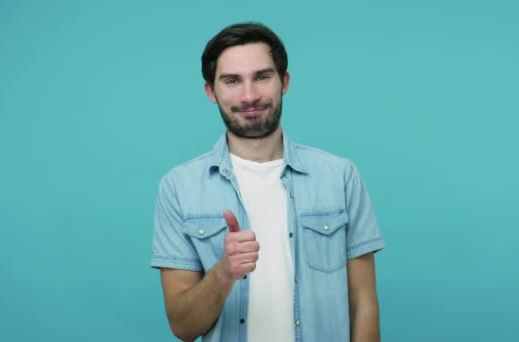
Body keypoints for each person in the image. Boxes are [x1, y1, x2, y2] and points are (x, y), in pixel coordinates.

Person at [151, 22, 385, 342]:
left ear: (284, 82)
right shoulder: (179, 187)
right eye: (232, 81)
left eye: (262, 77)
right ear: (211, 91)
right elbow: (183, 326)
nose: (249, 95)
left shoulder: (340, 176)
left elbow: (364, 305)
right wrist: (224, 273)